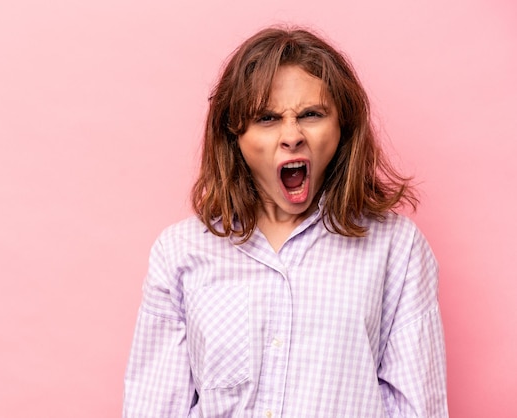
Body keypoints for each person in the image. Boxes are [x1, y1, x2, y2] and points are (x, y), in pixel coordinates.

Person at [123, 26, 448, 417]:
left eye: (311, 114)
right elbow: (154, 408)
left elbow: (418, 408)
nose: (291, 135)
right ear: (235, 136)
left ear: (342, 127)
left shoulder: (397, 248)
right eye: (267, 118)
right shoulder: (179, 252)